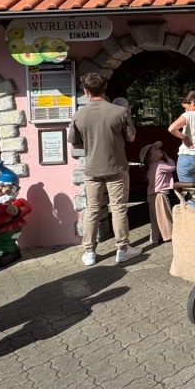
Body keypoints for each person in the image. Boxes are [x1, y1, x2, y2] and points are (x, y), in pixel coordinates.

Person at [67, 73, 138, 266]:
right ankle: (123, 249)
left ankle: (89, 252)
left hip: (92, 169)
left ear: (86, 92)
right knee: (119, 208)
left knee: (92, 209)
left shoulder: (78, 115)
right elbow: (131, 137)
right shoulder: (120, 112)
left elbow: (76, 144)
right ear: (104, 89)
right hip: (116, 167)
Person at [140, 142, 174, 244]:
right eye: (155, 149)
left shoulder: (150, 167)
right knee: (164, 215)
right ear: (151, 156)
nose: (159, 149)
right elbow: (172, 167)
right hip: (160, 194)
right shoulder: (159, 165)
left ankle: (155, 237)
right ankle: (169, 235)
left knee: (155, 217)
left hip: (151, 195)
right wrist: (168, 158)